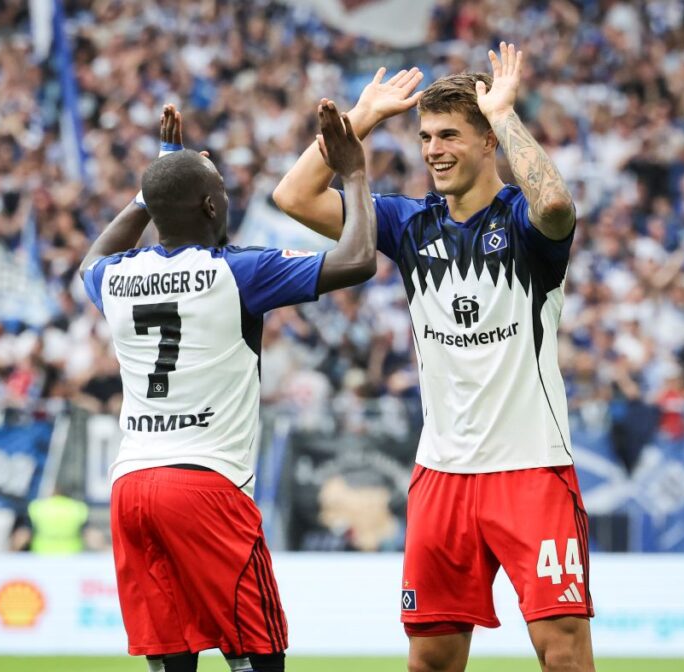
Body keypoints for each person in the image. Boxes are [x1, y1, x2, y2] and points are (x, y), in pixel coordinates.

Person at [274, 44, 596, 672]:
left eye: (450, 134)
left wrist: (504, 112)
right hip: (441, 476)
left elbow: (557, 206)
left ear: (487, 143)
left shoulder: (526, 226)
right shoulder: (405, 223)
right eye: (425, 136)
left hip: (531, 471)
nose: (433, 149)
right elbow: (294, 197)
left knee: (562, 653)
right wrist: (360, 120)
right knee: (432, 660)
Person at [79, 100, 376, 672]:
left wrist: (151, 187)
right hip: (204, 485)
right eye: (221, 187)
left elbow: (95, 254)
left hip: (132, 486)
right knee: (256, 654)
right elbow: (359, 258)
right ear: (213, 204)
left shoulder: (115, 277)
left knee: (171, 657)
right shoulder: (236, 271)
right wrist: (354, 172)